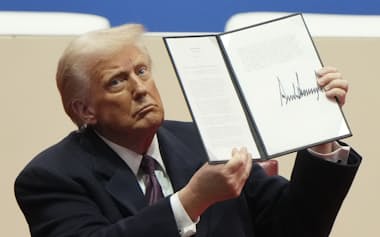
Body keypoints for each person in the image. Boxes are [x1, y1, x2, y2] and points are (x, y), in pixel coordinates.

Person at [14, 24, 361, 237]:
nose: (139, 88)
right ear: (84, 110)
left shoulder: (202, 140)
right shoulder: (51, 177)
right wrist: (191, 201)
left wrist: (321, 136)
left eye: (142, 71)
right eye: (117, 81)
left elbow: (294, 230)